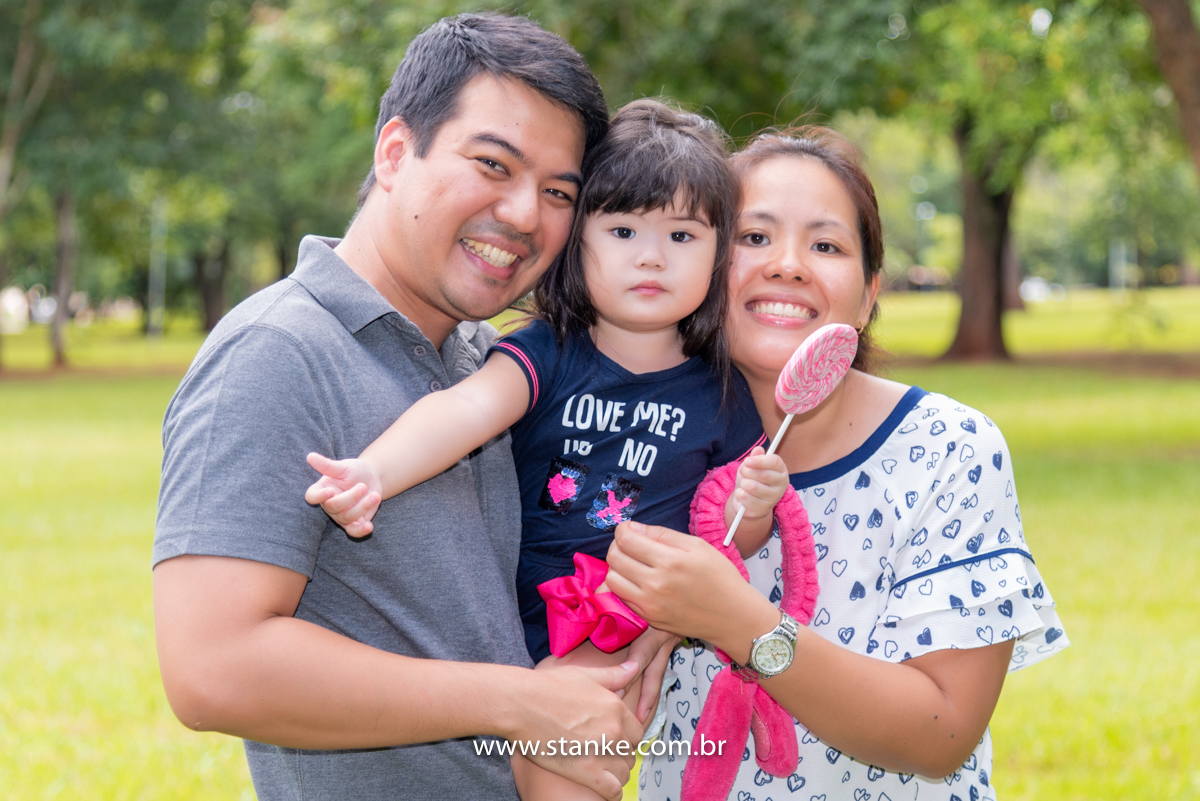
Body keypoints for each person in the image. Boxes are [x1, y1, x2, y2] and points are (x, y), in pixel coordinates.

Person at [153, 14, 654, 801]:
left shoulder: (491, 366)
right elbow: (211, 668)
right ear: (395, 152)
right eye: (493, 163)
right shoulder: (276, 352)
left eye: (558, 191)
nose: (526, 214)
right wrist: (520, 704)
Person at [303, 99, 792, 801]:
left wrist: (756, 504)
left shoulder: (721, 391)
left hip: (618, 625)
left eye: (683, 235)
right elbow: (466, 408)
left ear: (719, 251)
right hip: (508, 619)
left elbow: (728, 541)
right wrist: (374, 469)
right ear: (578, 241)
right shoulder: (549, 351)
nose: (651, 256)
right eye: (623, 229)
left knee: (563, 761)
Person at [602, 127, 1070, 801]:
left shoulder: (949, 448)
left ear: (870, 291)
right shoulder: (649, 447)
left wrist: (739, 621)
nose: (788, 264)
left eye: (826, 245)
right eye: (753, 237)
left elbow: (941, 733)